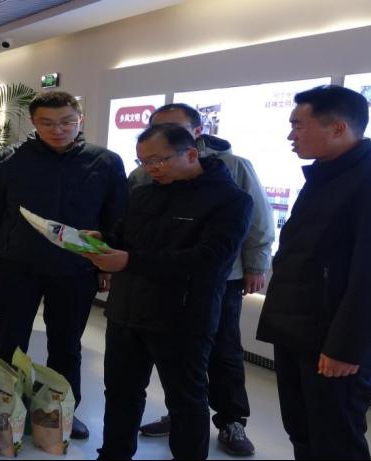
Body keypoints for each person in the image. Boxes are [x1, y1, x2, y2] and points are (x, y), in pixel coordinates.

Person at [256, 85, 371, 460]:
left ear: (337, 128)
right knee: (302, 431)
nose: (291, 135)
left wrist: (346, 348)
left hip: (333, 341)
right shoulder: (325, 177)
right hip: (298, 331)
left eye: (298, 125)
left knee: (336, 442)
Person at [0, 91, 128, 439]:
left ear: (80, 119)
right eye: (47, 123)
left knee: (67, 344)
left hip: (75, 268)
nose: (58, 129)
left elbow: (116, 217)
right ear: (34, 123)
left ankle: (62, 410)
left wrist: (106, 263)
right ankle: (5, 408)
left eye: (67, 121)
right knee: (10, 341)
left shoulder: (105, 162)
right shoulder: (8, 160)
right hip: (15, 265)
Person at [88, 124, 253, 460]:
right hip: (127, 312)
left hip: (182, 317)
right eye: (143, 162)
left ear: (190, 154)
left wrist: (129, 260)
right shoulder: (144, 194)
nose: (150, 168)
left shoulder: (230, 200)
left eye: (157, 160)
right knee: (120, 393)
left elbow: (209, 260)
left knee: (185, 401)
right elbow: (125, 238)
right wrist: (102, 240)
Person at [132, 103, 274, 455]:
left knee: (223, 350)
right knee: (176, 358)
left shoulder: (234, 166)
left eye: (175, 127)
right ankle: (178, 414)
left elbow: (259, 218)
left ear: (196, 132)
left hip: (222, 277)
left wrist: (256, 265)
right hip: (166, 277)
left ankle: (231, 420)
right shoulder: (143, 173)